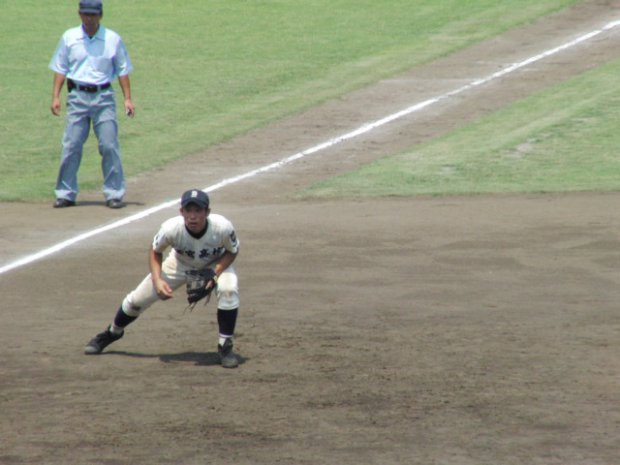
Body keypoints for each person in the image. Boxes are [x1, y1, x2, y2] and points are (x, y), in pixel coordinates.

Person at [84, 189, 242, 368]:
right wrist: (158, 280)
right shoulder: (171, 228)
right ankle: (113, 332)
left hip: (215, 262)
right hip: (179, 263)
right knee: (136, 300)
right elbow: (155, 251)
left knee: (228, 289)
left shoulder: (222, 227)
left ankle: (225, 345)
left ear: (207, 212)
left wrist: (215, 272)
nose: (193, 216)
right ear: (181, 212)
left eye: (198, 211)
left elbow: (232, 251)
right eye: (188, 211)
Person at [49, 0, 135, 209]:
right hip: (77, 96)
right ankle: (65, 193)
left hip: (103, 97)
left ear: (100, 15)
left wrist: (127, 98)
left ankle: (114, 193)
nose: (89, 19)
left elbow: (122, 70)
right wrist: (56, 96)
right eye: (86, 14)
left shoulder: (112, 39)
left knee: (108, 145)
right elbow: (61, 67)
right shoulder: (70, 38)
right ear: (80, 14)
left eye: (93, 15)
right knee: (71, 145)